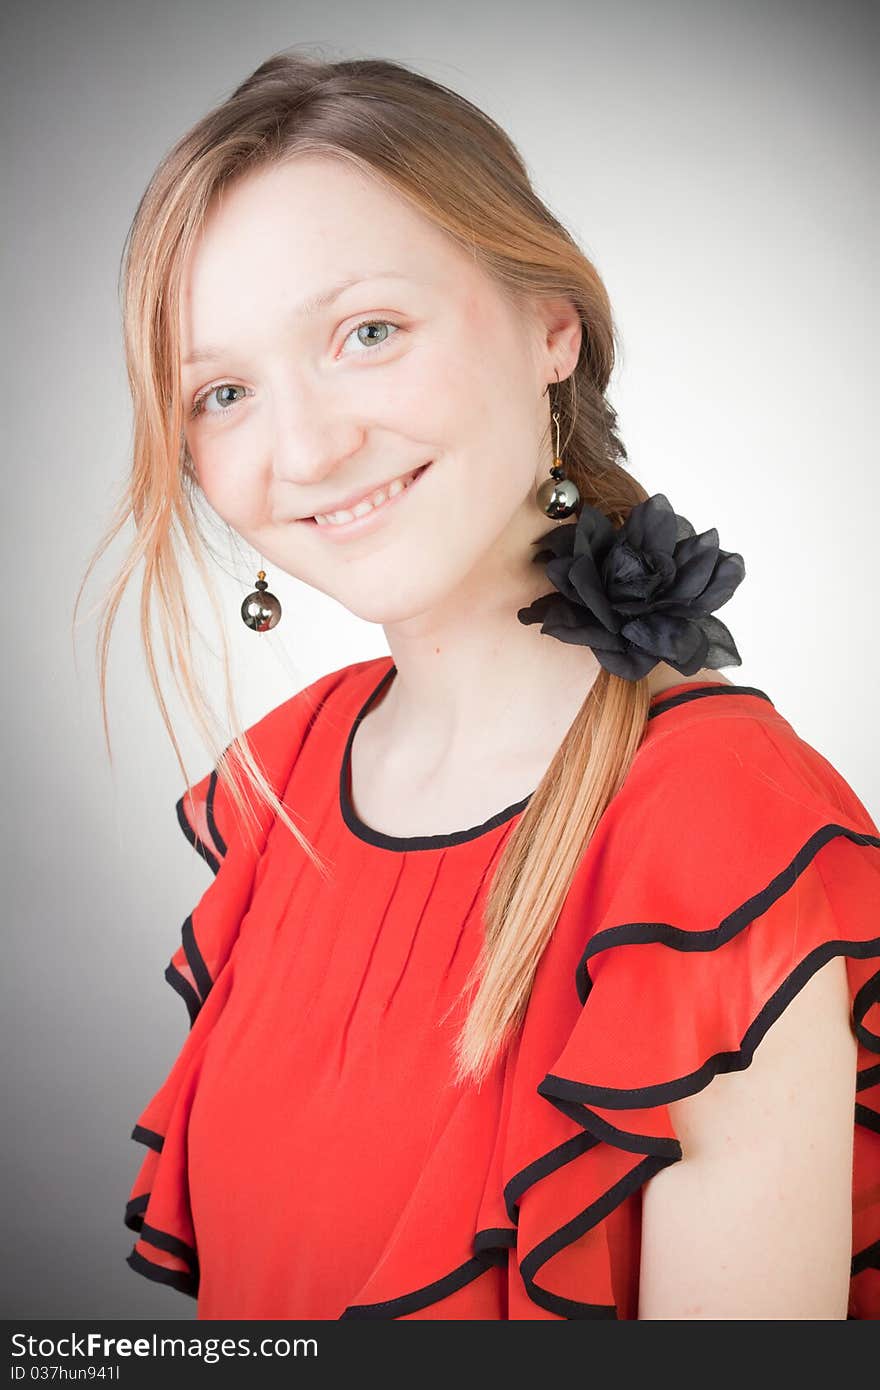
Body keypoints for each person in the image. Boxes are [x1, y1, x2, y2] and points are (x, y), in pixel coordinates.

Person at [81, 50, 880, 1319]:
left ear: (549, 323)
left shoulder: (720, 828)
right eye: (223, 392)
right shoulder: (281, 783)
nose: (305, 447)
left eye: (368, 332)